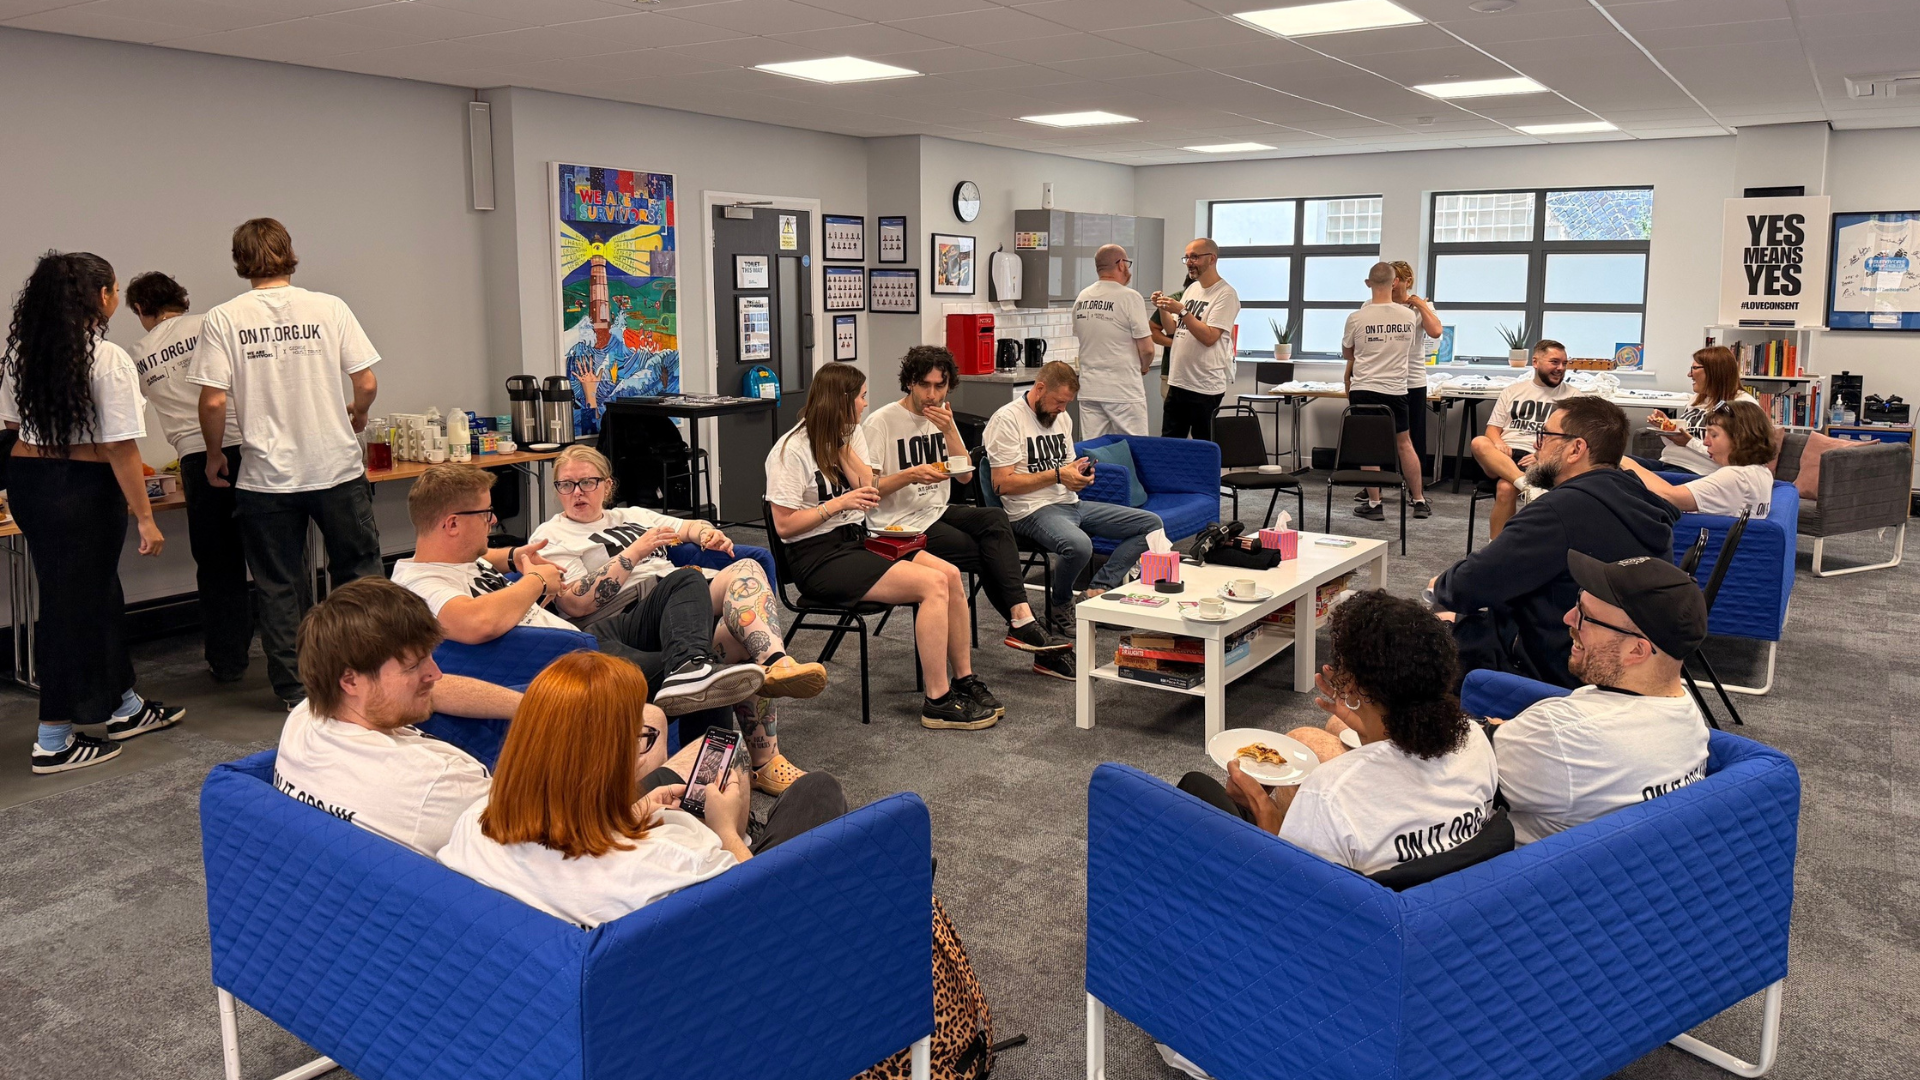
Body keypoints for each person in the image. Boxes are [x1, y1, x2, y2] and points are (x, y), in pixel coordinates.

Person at [439, 650, 849, 928]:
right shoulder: (672, 866)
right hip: (728, 940)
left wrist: (630, 814)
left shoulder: (473, 825)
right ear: (608, 759)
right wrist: (726, 833)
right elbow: (768, 914)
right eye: (638, 738)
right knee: (817, 791)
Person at [530, 444, 827, 794]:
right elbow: (577, 603)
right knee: (685, 579)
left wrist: (706, 534)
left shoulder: (630, 515)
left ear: (607, 485)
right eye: (566, 485)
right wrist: (636, 551)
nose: (577, 492)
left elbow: (688, 527)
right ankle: (691, 668)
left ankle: (771, 693)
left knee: (745, 582)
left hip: (680, 610)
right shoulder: (550, 536)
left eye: (587, 482)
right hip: (622, 621)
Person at [189, 218, 384, 710]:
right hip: (337, 468)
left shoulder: (223, 319)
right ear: (288, 252)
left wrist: (214, 454)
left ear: (240, 261)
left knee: (278, 586)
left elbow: (213, 401)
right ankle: (372, 669)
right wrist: (359, 415)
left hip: (265, 478)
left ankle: (296, 691)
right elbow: (365, 382)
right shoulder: (329, 307)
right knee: (359, 573)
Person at [391, 464, 765, 717]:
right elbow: (477, 621)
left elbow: (484, 556)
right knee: (706, 685)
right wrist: (537, 581)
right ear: (452, 524)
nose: (493, 521)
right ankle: (703, 767)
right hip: (570, 660)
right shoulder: (420, 585)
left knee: (685, 579)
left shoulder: (454, 558)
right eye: (485, 513)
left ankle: (691, 667)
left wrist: (514, 556)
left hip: (586, 637)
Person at [3, 252, 183, 774]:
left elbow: (11, 428)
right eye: (114, 291)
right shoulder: (106, 358)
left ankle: (124, 707)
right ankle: (54, 740)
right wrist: (145, 517)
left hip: (32, 483)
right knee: (70, 609)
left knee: (96, 593)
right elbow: (120, 447)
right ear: (102, 297)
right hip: (80, 490)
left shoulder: (20, 354)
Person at [1178, 591, 1497, 876]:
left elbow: (1293, 892)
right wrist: (1370, 732)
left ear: (1355, 683)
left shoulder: (1330, 791)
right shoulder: (1474, 740)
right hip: (1440, 893)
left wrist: (1265, 812)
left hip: (1339, 909)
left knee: (1196, 787)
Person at [765, 362, 1002, 731]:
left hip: (854, 541)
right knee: (932, 585)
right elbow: (784, 526)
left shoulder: (846, 435)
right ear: (841, 401)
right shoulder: (790, 450)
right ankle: (937, 700)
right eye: (861, 397)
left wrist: (840, 447)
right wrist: (836, 505)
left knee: (951, 575)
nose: (865, 404)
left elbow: (868, 487)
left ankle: (964, 679)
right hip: (816, 558)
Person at [1429, 396, 1678, 689]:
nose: (1536, 446)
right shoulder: (1639, 501)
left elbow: (1466, 586)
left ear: (1576, 449)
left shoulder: (1559, 511)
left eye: (1545, 436)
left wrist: (1441, 586)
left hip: (1549, 666)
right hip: (1620, 666)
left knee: (1417, 634)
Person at [272, 577, 533, 855]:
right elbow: (542, 829)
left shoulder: (306, 716)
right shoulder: (438, 785)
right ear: (351, 681)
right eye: (413, 666)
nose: (436, 673)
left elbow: (433, 691)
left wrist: (532, 707)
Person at [859, 346, 1074, 680]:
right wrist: (910, 475)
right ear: (910, 383)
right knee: (989, 552)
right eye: (925, 385)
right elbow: (868, 489)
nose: (932, 395)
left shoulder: (942, 417)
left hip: (935, 511)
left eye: (939, 386)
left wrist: (949, 430)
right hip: (896, 525)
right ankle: (1024, 626)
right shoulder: (881, 422)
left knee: (994, 520)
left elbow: (964, 477)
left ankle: (1022, 621)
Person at [1490, 553, 1711, 844]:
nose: (1568, 618)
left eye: (1585, 616)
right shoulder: (1687, 715)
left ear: (1636, 651)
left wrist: (1496, 730)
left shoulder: (1563, 733)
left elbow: (1455, 768)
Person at [126, 271, 252, 684]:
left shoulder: (139, 353)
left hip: (197, 458)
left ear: (141, 309)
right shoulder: (211, 324)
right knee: (273, 556)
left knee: (217, 564)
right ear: (181, 299)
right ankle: (298, 658)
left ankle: (227, 661)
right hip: (249, 445)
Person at [985, 361, 1163, 636]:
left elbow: (1065, 468)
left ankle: (1097, 591)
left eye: (1067, 403)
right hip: (1029, 510)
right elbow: (1001, 484)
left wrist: (1078, 475)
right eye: (1059, 401)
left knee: (1151, 525)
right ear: (1040, 388)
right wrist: (1058, 475)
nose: (1062, 409)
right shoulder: (1007, 420)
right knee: (1079, 546)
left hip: (1069, 502)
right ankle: (1059, 605)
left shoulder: (1062, 418)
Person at [1342, 261, 1428, 520]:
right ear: (1394, 283)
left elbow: (1348, 353)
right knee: (1405, 443)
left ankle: (1375, 504)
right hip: (1397, 388)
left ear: (1368, 283)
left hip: (1364, 387)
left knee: (1369, 446)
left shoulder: (1357, 317)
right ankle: (1419, 500)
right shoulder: (1408, 316)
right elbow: (1409, 347)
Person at [1469, 340, 1579, 539]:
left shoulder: (1573, 397)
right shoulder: (1512, 391)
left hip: (1541, 458)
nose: (1561, 368)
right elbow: (1492, 430)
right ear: (1535, 362)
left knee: (1505, 487)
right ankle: (1527, 487)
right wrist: (1498, 443)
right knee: (1479, 442)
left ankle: (1496, 548)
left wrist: (1541, 457)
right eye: (1554, 362)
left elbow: (1574, 440)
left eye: (1564, 363)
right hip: (1505, 455)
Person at [1623, 401, 1778, 519]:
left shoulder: (1736, 476)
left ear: (1739, 438)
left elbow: (1670, 496)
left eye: (1714, 435)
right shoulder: (1762, 473)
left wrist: (1623, 461)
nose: (1705, 442)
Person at [1154, 238, 1239, 441]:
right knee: (1170, 443)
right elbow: (1172, 330)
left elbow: (1209, 337)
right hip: (1178, 381)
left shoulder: (1226, 295)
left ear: (1212, 259)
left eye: (1195, 257)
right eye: (1187, 257)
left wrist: (1182, 311)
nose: (1189, 262)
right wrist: (1163, 308)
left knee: (1202, 445)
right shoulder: (1192, 289)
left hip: (1204, 387)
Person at [1071, 244, 1155, 438]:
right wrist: (1144, 366)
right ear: (1121, 264)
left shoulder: (1082, 297)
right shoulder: (1129, 297)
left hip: (1090, 389)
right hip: (1123, 390)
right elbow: (1147, 350)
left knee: (1095, 448)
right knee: (1134, 447)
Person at [1645, 346, 1758, 474]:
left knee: (1633, 478)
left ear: (1714, 371)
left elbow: (1736, 455)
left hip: (1700, 471)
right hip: (1669, 462)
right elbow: (1676, 443)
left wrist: (1689, 442)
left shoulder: (1743, 404)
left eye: (1694, 368)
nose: (1689, 374)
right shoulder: (1697, 398)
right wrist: (1668, 428)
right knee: (1625, 464)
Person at [1391, 260, 1442, 498]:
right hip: (1385, 379)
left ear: (1407, 281)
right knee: (1381, 433)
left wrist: (1420, 304)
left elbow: (1436, 331)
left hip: (1412, 380)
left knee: (1414, 436)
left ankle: (1415, 491)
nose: (1391, 284)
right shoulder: (1374, 305)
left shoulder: (1422, 307)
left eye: (1395, 279)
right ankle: (1375, 483)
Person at [1149, 272, 1197, 403]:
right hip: (1172, 371)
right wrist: (1176, 344)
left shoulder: (1213, 300)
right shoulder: (1174, 301)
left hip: (1199, 374)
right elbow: (1154, 330)